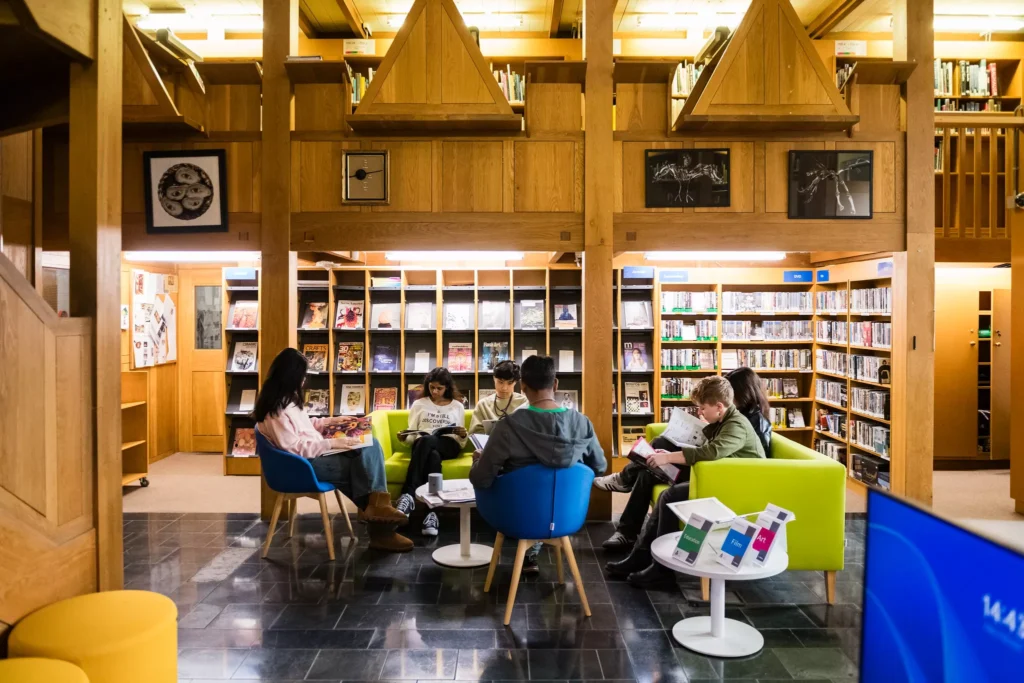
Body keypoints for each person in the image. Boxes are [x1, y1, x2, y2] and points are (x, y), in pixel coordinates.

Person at [603, 375, 765, 589]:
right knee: (648, 472)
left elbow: (711, 452)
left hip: (732, 486)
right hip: (715, 476)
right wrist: (665, 455)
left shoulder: (737, 425)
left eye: (702, 408)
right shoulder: (725, 420)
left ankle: (662, 570)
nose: (700, 413)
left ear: (719, 406)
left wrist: (669, 457)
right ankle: (639, 553)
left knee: (669, 497)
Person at [255, 348, 412, 552]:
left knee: (370, 444)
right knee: (361, 468)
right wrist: (332, 444)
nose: (304, 381)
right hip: (304, 465)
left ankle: (378, 510)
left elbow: (305, 427)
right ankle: (381, 527)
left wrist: (332, 422)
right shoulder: (275, 410)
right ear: (291, 377)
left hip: (317, 453)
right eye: (302, 376)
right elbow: (295, 448)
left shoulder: (289, 401)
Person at [470, 355, 606, 574]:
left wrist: (480, 459)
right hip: (566, 516)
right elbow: (599, 467)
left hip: (516, 516)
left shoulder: (508, 427)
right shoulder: (582, 422)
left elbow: (481, 478)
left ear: (522, 387)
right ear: (555, 384)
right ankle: (536, 548)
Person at [394, 368, 468, 537]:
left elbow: (461, 442)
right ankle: (432, 513)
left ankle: (408, 495)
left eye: (439, 388)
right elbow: (413, 434)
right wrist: (404, 438)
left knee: (428, 442)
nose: (435, 391)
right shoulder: (419, 404)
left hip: (449, 444)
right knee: (432, 454)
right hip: (424, 444)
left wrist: (463, 435)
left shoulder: (457, 405)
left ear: (447, 387)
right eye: (432, 387)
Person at [469, 360, 528, 435]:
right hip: (489, 445)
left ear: (515, 382)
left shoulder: (524, 402)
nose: (504, 388)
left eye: (510, 383)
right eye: (500, 382)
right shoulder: (483, 404)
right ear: (494, 378)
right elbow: (474, 433)